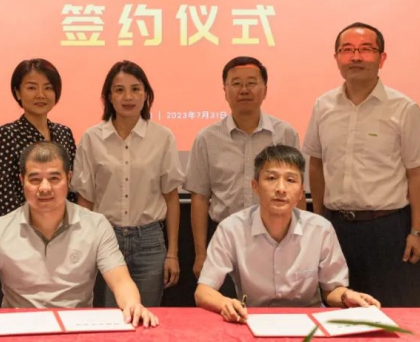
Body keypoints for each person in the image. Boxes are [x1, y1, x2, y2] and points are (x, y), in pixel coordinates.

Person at [0, 141, 158, 328]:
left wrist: (132, 304)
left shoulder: (96, 225)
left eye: (54, 178)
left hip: (77, 329)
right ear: (22, 181)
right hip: (20, 328)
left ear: (68, 178)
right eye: (35, 179)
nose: (44, 188)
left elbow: (121, 282)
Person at [303, 22, 420, 307]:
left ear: (382, 58)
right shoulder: (323, 106)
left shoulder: (404, 108)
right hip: (336, 227)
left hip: (386, 229)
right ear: (336, 58)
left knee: (388, 311)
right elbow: (316, 164)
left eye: (365, 49)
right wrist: (320, 219)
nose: (356, 57)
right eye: (347, 50)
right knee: (337, 309)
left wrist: (417, 232)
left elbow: (417, 174)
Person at [195, 145, 380, 322]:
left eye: (290, 180)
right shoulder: (231, 229)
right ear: (255, 186)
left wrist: (347, 296)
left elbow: (332, 290)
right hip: (254, 320)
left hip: (308, 323)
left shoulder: (320, 229)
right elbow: (203, 291)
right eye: (271, 178)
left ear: (301, 193)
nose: (281, 189)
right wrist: (225, 303)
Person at [184, 56, 301, 298]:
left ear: (264, 90)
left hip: (276, 238)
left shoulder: (285, 133)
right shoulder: (207, 138)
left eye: (251, 83)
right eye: (236, 83)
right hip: (224, 239)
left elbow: (296, 191)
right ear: (225, 91)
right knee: (223, 309)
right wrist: (201, 254)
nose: (244, 90)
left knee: (272, 310)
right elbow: (200, 198)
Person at [72, 61, 184, 307]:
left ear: (146, 95)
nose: (128, 97)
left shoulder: (162, 137)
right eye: (119, 90)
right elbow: (85, 200)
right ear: (109, 97)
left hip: (150, 240)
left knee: (147, 315)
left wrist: (172, 253)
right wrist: (85, 248)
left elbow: (171, 197)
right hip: (105, 237)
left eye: (135, 89)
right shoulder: (92, 138)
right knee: (109, 318)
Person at [0, 58, 76, 220]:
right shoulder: (8, 134)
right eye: (31, 88)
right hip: (21, 228)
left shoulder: (64, 133)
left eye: (48, 88)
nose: (40, 95)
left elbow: (72, 188)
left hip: (63, 226)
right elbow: (2, 196)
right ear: (18, 92)